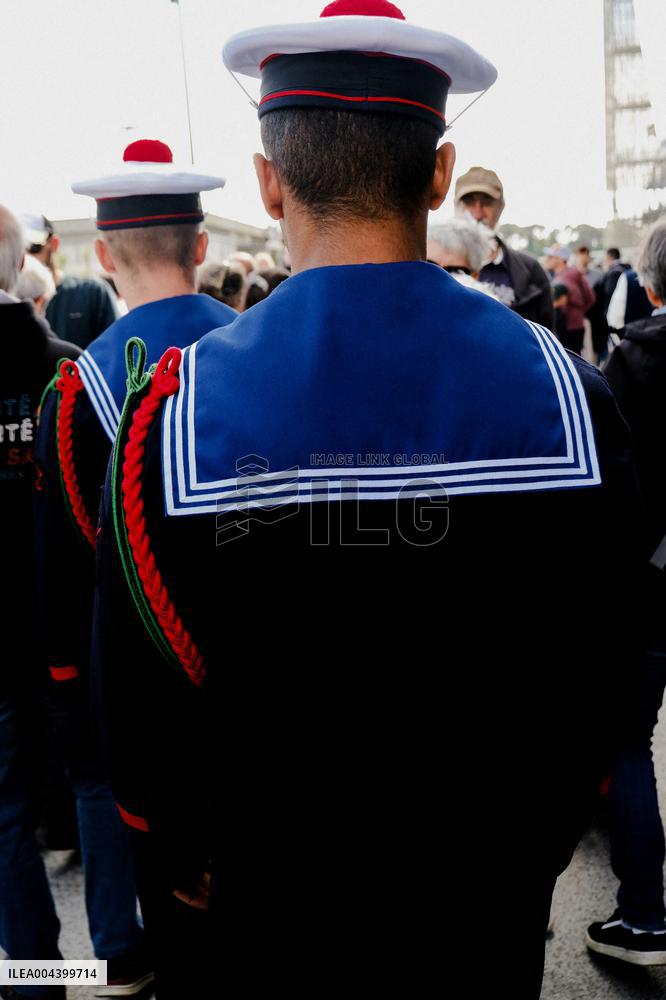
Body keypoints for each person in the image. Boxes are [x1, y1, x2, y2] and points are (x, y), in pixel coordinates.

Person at [92, 3, 641, 997]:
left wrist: (182, 862)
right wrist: (547, 834)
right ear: (439, 173)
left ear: (267, 182)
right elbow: (612, 655)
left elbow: (141, 710)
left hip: (269, 911)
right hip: (486, 904)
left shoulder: (173, 415)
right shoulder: (565, 394)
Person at [33, 138, 236, 994]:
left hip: (140, 704)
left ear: (107, 255)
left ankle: (117, 963)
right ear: (199, 247)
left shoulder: (78, 389)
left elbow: (66, 570)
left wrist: (73, 692)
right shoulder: (255, 347)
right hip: (259, 686)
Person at [0, 204, 131, 1000]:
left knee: (7, 808)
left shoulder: (71, 368)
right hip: (69, 617)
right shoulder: (66, 367)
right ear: (21, 267)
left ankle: (37, 976)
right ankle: (115, 951)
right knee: (94, 775)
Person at [586, 219, 666, 965]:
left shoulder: (633, 356)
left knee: (629, 739)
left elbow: (607, 480)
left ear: (647, 283)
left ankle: (646, 915)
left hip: (650, 576)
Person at [453, 165, 554, 328]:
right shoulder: (434, 267)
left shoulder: (530, 270)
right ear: (456, 206)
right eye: (469, 201)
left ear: (501, 207)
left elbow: (547, 339)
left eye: (487, 202)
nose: (477, 213)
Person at [25, 214, 121, 349]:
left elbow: (118, 352)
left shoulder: (93, 293)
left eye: (33, 247)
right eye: (18, 248)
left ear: (54, 244)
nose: (25, 257)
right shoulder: (10, 301)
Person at [428, 217, 499, 298]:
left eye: (455, 271)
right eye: (430, 264)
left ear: (475, 275)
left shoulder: (486, 308)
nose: (439, 276)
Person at [543, 244, 595, 354]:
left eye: (551, 256)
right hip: (572, 326)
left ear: (561, 259)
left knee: (572, 361)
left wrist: (576, 312)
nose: (547, 259)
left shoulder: (567, 276)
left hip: (569, 328)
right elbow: (590, 297)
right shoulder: (568, 274)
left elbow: (589, 298)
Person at [575, 245, 607, 363]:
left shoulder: (598, 275)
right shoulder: (571, 275)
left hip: (595, 320)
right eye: (581, 256)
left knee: (594, 353)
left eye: (586, 256)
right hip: (577, 321)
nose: (583, 259)